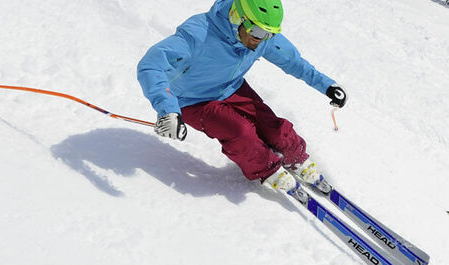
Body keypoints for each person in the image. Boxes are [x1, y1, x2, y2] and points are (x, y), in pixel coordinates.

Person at [136, 0, 345, 191]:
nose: (261, 40)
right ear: (238, 18)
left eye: (269, 34)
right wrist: (168, 111)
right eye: (257, 32)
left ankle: (295, 157)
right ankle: (266, 168)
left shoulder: (260, 36)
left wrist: (326, 85)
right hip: (191, 100)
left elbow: (293, 62)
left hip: (231, 88)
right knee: (240, 131)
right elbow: (150, 65)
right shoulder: (199, 33)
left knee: (273, 127)